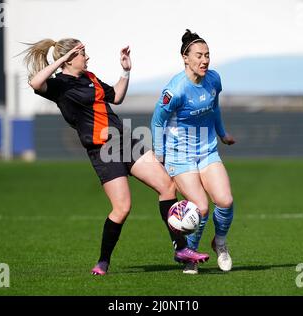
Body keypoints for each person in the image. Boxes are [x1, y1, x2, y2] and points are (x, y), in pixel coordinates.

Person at [23, 37, 209, 275]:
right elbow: (36, 83)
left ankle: (181, 249)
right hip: (102, 150)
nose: (87, 57)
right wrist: (60, 60)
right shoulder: (59, 85)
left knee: (167, 186)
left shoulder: (90, 78)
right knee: (122, 208)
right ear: (70, 59)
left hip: (125, 141)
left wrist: (125, 70)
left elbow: (116, 97)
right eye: (82, 54)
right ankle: (103, 261)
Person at [151, 29, 236, 274]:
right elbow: (157, 122)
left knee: (225, 201)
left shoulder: (213, 79)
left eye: (207, 55)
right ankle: (191, 256)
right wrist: (159, 155)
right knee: (200, 208)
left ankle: (220, 243)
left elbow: (214, 107)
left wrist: (222, 133)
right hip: (179, 154)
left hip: (207, 151)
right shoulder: (175, 90)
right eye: (199, 55)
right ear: (185, 58)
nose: (205, 60)